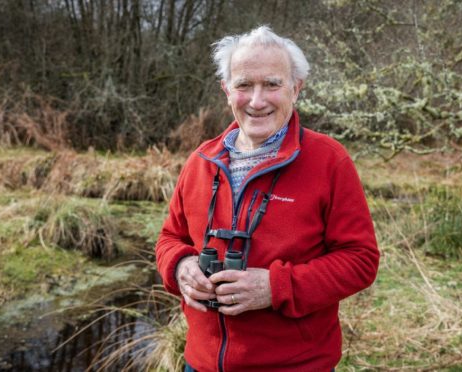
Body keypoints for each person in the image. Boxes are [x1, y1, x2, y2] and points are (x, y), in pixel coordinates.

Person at [155, 25, 379, 372]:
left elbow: (360, 260)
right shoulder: (201, 161)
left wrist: (275, 288)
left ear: (296, 88)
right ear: (226, 90)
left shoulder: (330, 161)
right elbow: (171, 238)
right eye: (244, 85)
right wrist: (181, 267)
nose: (256, 101)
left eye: (272, 84)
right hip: (200, 364)